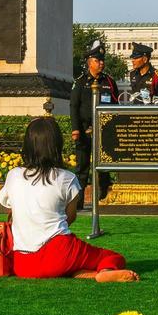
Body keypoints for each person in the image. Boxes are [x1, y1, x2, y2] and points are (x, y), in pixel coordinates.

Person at [0, 117, 138, 282]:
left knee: (64, 261)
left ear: (27, 145)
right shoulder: (66, 178)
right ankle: (104, 270)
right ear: (57, 145)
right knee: (112, 257)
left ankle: (84, 272)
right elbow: (70, 216)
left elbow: (11, 209)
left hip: (23, 264)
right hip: (60, 252)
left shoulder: (14, 175)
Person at [69, 40, 117, 207]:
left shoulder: (109, 82)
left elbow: (115, 106)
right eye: (97, 60)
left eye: (102, 60)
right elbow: (73, 106)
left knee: (103, 168)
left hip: (103, 133)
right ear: (90, 62)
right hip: (84, 132)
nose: (101, 63)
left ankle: (103, 199)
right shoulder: (81, 82)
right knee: (82, 169)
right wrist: (75, 129)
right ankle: (79, 202)